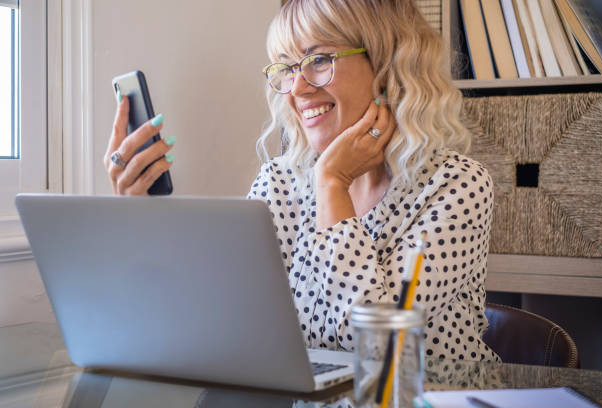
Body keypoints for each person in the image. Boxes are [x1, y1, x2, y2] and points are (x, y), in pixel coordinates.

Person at [103, 0, 499, 362]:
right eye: (286, 68)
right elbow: (220, 317)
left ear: (387, 66)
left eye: (319, 60)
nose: (297, 88)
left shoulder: (457, 186)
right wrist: (139, 216)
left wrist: (332, 183)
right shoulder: (280, 182)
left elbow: (377, 346)